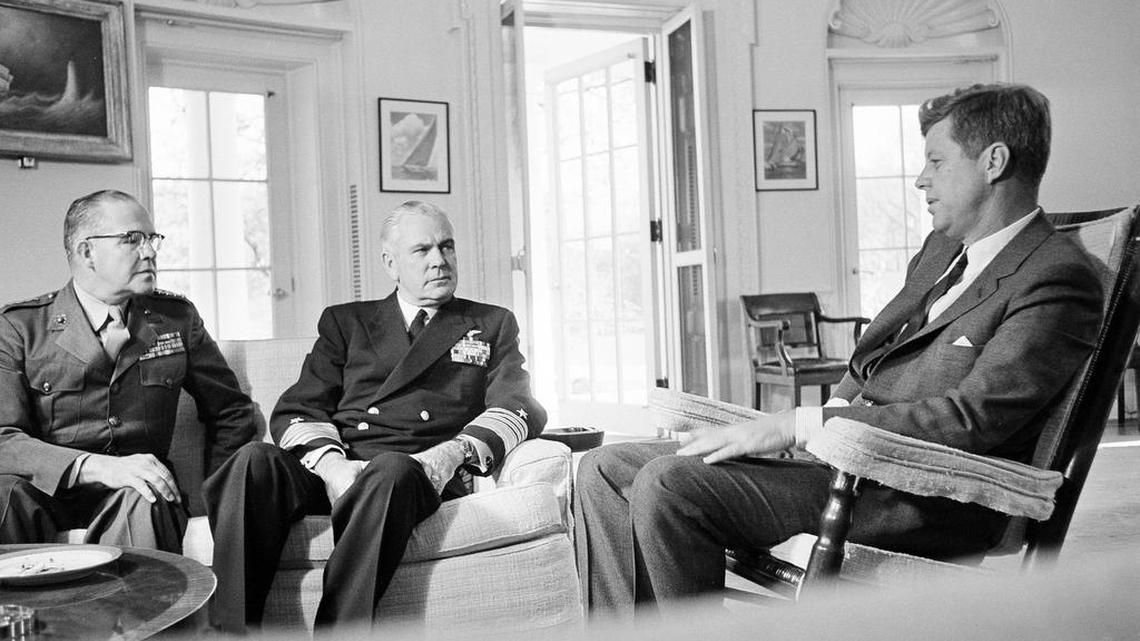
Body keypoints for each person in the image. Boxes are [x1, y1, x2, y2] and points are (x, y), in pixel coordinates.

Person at [574, 83, 1105, 616]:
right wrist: (809, 431)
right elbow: (872, 361)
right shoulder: (941, 250)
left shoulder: (1056, 279)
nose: (921, 179)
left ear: (993, 162)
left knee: (674, 484)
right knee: (602, 468)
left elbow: (973, 419)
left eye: (937, 161)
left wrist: (801, 427)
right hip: (837, 459)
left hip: (915, 492)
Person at [204, 200, 547, 634]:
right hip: (341, 464)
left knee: (389, 470)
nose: (439, 260)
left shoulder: (489, 322)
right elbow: (299, 408)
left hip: (416, 471)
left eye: (447, 247)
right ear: (391, 263)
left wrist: (451, 453)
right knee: (254, 461)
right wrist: (332, 468)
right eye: (422, 251)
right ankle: (228, 633)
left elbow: (519, 405)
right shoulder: (347, 322)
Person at [0, 190, 255, 552]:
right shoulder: (20, 327)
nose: (150, 251)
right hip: (45, 491)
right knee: (4, 495)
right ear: (87, 252)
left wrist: (211, 505)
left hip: (137, 491)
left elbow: (231, 411)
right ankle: (21, 611)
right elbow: (3, 438)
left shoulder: (175, 319)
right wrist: (94, 466)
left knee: (147, 494)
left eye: (152, 239)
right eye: (132, 239)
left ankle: (129, 610)